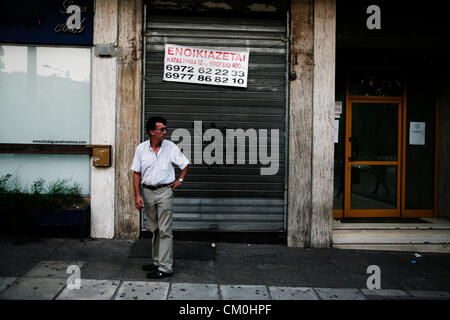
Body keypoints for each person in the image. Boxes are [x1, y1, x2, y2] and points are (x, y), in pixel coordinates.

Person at [131, 116, 190, 279]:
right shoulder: (141, 149)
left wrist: (180, 180)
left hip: (164, 192)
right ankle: (157, 262)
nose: (165, 132)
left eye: (165, 129)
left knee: (165, 230)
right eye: (161, 129)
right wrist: (137, 195)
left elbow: (185, 164)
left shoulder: (170, 147)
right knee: (154, 229)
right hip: (147, 192)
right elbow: (136, 173)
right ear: (151, 131)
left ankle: (165, 267)